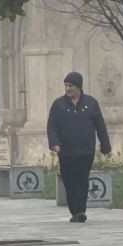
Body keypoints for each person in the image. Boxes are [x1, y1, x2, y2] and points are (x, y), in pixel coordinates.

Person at [46, 71, 111, 223]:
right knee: (69, 181)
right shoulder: (58, 105)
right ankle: (74, 210)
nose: (68, 89)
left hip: (85, 149)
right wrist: (54, 143)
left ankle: (80, 211)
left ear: (79, 87)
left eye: (71, 86)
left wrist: (105, 147)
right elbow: (52, 126)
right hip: (66, 151)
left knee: (82, 180)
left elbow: (100, 125)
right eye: (66, 86)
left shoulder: (91, 103)